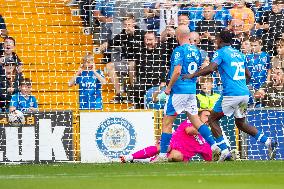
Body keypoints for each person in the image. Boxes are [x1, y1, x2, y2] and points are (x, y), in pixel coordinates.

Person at [183, 30, 278, 161]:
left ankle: (225, 150)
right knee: (241, 124)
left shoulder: (221, 52)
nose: (215, 41)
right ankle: (268, 142)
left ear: (220, 40)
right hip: (244, 94)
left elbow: (211, 68)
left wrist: (192, 75)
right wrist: (241, 86)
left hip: (231, 94)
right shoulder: (239, 54)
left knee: (212, 119)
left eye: (216, 39)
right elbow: (248, 75)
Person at [153, 25, 218, 163]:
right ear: (188, 36)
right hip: (191, 90)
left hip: (179, 91)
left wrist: (169, 87)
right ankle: (214, 145)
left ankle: (163, 155)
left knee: (167, 122)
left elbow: (177, 71)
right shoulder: (197, 51)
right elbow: (199, 69)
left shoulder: (179, 50)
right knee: (196, 121)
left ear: (178, 36)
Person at [120, 110, 212, 163]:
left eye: (210, 116)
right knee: (165, 147)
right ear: (198, 117)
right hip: (171, 143)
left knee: (177, 155)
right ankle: (130, 157)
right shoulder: (190, 122)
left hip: (181, 155)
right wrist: (204, 130)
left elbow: (210, 157)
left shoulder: (207, 140)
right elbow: (189, 130)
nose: (209, 118)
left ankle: (150, 161)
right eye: (206, 116)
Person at [99, 14, 145, 103]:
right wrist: (104, 45)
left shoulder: (142, 34)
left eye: (129, 25)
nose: (127, 27)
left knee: (131, 64)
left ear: (134, 23)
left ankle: (133, 94)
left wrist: (133, 34)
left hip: (141, 63)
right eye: (125, 25)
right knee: (109, 66)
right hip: (126, 63)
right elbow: (112, 42)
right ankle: (119, 94)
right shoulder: (123, 34)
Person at [131, 31, 167, 109]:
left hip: (160, 81)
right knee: (137, 86)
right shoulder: (139, 50)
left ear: (156, 40)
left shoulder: (163, 49)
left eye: (150, 40)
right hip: (145, 81)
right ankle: (139, 108)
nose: (148, 42)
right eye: (146, 40)